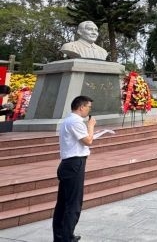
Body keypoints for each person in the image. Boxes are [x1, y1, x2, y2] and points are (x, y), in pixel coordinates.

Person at [52, 96, 95, 242]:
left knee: (63, 203)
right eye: (89, 107)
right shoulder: (76, 122)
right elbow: (88, 141)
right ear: (81, 107)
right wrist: (91, 126)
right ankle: (66, 238)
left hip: (68, 164)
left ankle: (61, 236)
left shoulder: (68, 120)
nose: (89, 110)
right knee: (73, 204)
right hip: (74, 164)